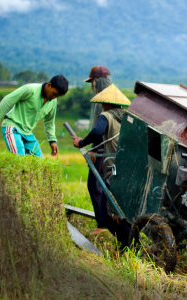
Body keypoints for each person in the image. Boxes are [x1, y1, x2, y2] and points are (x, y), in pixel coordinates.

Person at [71, 84, 131, 245]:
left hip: (113, 169)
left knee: (106, 213)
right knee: (123, 209)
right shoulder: (126, 115)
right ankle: (129, 241)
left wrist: (82, 142)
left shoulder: (106, 116)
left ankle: (127, 242)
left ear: (104, 103)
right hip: (129, 168)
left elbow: (98, 131)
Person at [0, 74, 69, 157]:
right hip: (13, 127)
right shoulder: (30, 89)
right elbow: (9, 99)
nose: (54, 97)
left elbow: (49, 122)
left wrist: (52, 141)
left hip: (27, 133)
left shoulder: (53, 102)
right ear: (49, 85)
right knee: (19, 159)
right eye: (54, 93)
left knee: (40, 163)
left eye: (57, 96)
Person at [83, 66, 113, 235]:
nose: (92, 85)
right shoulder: (109, 96)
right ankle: (105, 221)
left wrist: (94, 148)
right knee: (101, 186)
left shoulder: (105, 99)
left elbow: (101, 128)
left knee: (96, 186)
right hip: (106, 150)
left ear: (99, 81)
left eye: (93, 81)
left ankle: (103, 224)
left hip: (102, 151)